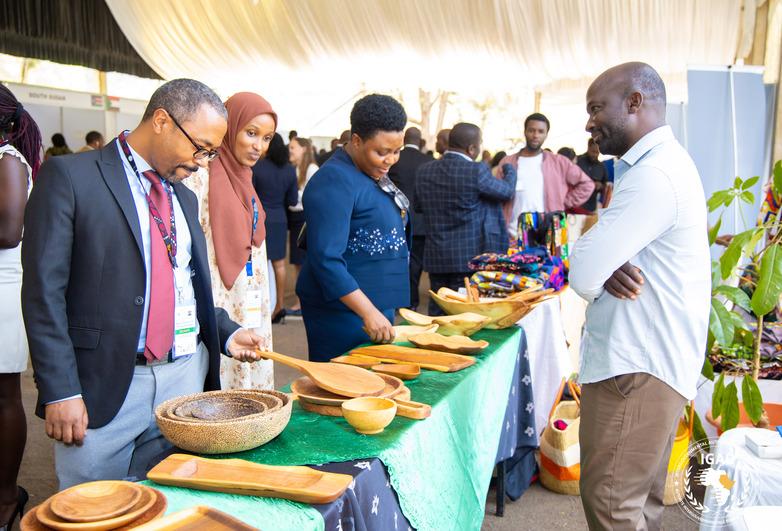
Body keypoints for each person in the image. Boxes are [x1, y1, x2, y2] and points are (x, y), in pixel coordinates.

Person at [21, 79, 265, 490]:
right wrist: (60, 389)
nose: (205, 162)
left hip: (185, 381)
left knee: (174, 506)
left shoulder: (183, 197)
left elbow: (183, 284)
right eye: (201, 147)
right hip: (105, 386)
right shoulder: (72, 177)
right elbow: (43, 294)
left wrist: (226, 332)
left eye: (211, 153)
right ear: (161, 121)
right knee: (95, 508)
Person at [568, 62, 710, 530]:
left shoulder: (654, 175)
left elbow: (585, 272)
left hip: (636, 368)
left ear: (634, 102)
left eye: (595, 108)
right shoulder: (657, 166)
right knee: (638, 503)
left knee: (612, 505)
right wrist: (604, 256)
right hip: (649, 363)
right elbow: (598, 263)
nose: (589, 122)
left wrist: (598, 257)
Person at [297, 94, 410, 362]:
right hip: (346, 311)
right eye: (382, 151)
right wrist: (368, 311)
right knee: (348, 391)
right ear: (356, 140)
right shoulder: (334, 181)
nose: (391, 160)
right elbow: (326, 258)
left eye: (397, 151)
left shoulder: (369, 170)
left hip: (373, 305)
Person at [184, 92, 277, 391]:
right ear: (229, 127)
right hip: (218, 299)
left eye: (266, 138)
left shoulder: (246, 178)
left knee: (250, 382)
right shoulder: (199, 175)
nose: (258, 146)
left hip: (249, 298)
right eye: (251, 133)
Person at [415, 123, 516, 315]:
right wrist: (510, 171)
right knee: (463, 313)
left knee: (437, 311)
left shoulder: (424, 171)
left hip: (436, 257)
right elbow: (506, 192)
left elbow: (419, 207)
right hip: (466, 259)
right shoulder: (475, 171)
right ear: (472, 148)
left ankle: (434, 344)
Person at [0, 85, 41, 531]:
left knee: (4, 394)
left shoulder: (9, 160)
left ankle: (7, 497)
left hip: (3, 287)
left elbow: (9, 232)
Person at [496, 113, 594, 239]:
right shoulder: (507, 162)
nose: (536, 135)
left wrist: (564, 202)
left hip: (550, 232)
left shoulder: (559, 162)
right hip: (512, 233)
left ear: (546, 134)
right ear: (525, 131)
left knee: (552, 259)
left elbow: (587, 184)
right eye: (531, 130)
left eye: (541, 131)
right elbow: (497, 195)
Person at [252, 133, 297, 323]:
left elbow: (251, 195)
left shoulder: (257, 167)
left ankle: (257, 308)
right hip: (280, 218)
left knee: (257, 265)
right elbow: (293, 200)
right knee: (279, 265)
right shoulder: (289, 170)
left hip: (260, 219)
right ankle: (279, 306)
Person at [388, 127, 430, 310]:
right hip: (420, 220)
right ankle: (412, 302)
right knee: (415, 264)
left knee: (395, 260)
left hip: (397, 217)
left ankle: (397, 299)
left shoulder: (394, 159)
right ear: (420, 141)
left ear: (404, 139)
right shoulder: (428, 161)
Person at [286, 136, 318, 316]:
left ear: (304, 149)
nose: (289, 150)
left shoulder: (312, 169)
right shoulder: (296, 169)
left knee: (303, 262)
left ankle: (301, 302)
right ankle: (300, 300)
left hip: (305, 218)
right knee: (297, 263)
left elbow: (310, 197)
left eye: (293, 147)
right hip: (296, 217)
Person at [576, 138, 608, 213]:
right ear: (588, 148)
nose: (595, 155)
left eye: (597, 152)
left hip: (590, 208)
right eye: (593, 152)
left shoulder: (601, 166)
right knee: (563, 224)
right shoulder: (577, 161)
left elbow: (605, 185)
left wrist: (600, 186)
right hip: (573, 207)